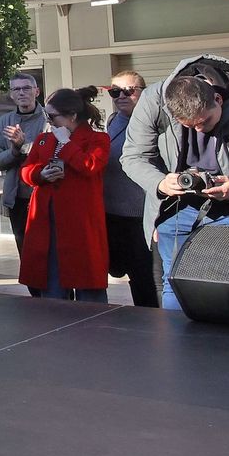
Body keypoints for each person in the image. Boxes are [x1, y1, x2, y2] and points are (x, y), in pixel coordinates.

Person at [122, 54, 229, 311]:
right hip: (176, 208)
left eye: (205, 122)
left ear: (218, 99)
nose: (199, 130)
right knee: (175, 285)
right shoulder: (153, 99)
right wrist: (161, 183)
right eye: (188, 126)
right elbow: (133, 157)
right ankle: (179, 348)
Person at [19, 87, 110, 302]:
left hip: (80, 220)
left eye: (53, 116)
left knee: (87, 283)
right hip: (47, 219)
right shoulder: (44, 139)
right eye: (46, 116)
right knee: (51, 281)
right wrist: (40, 174)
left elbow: (90, 165)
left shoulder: (98, 139)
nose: (49, 122)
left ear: (72, 115)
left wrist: (67, 144)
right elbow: (26, 170)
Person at [102, 72, 157, 306]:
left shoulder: (156, 122)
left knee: (144, 277)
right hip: (112, 212)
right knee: (117, 267)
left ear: (143, 92)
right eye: (115, 91)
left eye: (129, 91)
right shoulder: (113, 120)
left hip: (141, 214)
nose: (121, 96)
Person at [0, 72, 45, 294]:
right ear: (11, 95)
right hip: (18, 200)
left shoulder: (49, 119)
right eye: (16, 89)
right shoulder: (5, 122)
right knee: (27, 254)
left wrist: (22, 147)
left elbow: (52, 154)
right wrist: (14, 150)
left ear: (36, 91)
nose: (21, 93)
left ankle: (58, 299)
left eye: (26, 88)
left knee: (49, 252)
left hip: (44, 197)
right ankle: (36, 298)